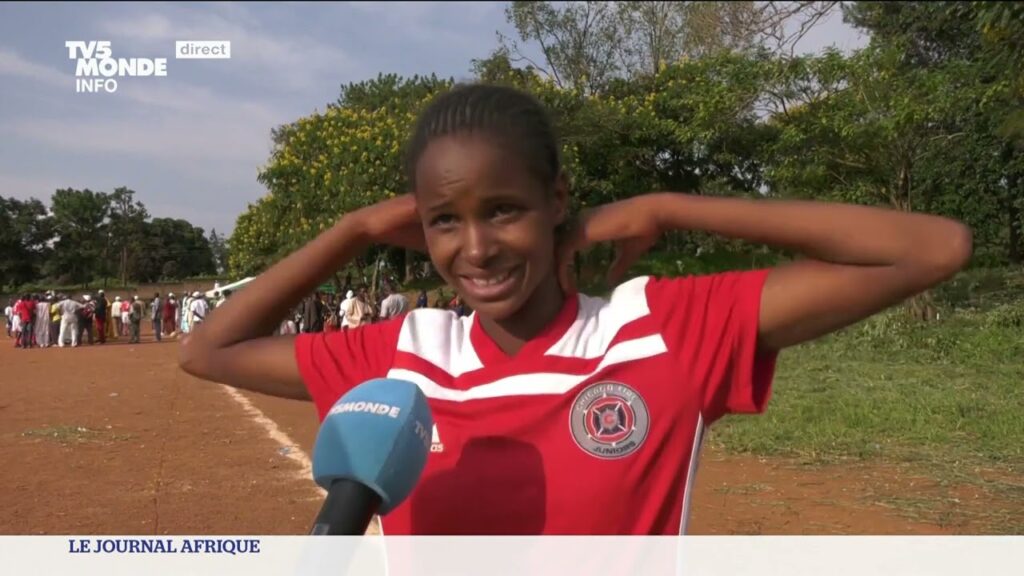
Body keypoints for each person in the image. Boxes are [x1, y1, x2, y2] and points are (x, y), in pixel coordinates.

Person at [179, 84, 972, 535]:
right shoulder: (402, 356)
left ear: (557, 200)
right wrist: (353, 229)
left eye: (504, 210)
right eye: (445, 221)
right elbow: (208, 350)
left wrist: (666, 206)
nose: (477, 248)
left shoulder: (657, 331)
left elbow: (931, 249)